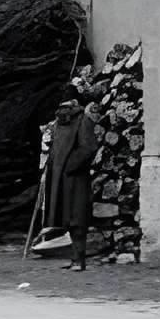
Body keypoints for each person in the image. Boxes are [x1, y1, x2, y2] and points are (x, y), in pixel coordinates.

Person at [43, 96, 99, 271]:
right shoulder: (58, 124)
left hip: (75, 177)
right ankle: (74, 258)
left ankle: (78, 259)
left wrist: (69, 166)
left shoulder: (83, 121)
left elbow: (88, 147)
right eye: (62, 106)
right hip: (59, 177)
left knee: (77, 217)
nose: (64, 109)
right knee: (65, 217)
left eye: (67, 106)